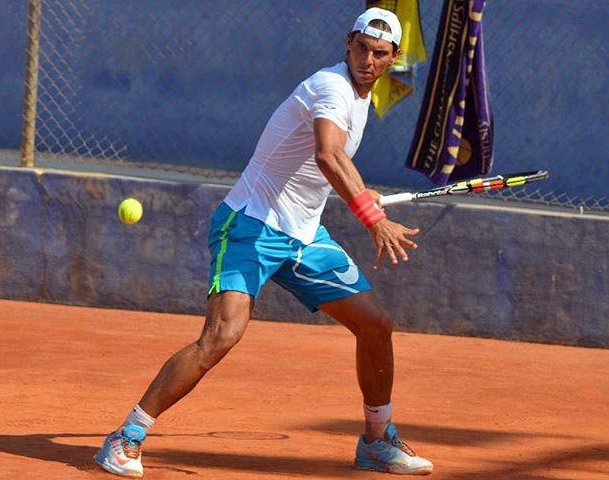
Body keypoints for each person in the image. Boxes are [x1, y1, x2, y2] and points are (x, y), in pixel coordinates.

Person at [95, 7, 433, 477]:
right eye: (361, 48)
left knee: (375, 324)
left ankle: (376, 441)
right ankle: (125, 436)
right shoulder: (331, 86)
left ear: (393, 58)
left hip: (304, 236)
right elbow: (328, 153)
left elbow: (318, 168)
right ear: (348, 43)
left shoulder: (359, 100)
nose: (367, 60)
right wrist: (371, 215)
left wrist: (362, 190)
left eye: (379, 53)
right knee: (222, 335)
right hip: (250, 225)